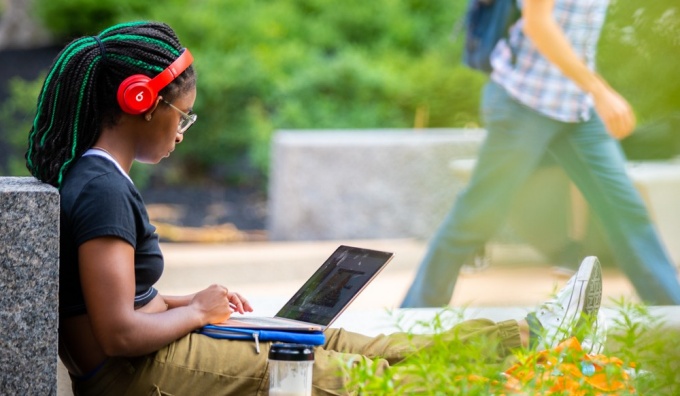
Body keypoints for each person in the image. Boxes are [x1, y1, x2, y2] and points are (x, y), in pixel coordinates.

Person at [27, 21, 604, 396]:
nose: (183, 131)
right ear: (139, 103)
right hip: (133, 378)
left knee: (342, 343)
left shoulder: (100, 177)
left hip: (146, 361)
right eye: (182, 116)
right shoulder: (100, 186)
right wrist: (200, 312)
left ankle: (528, 336)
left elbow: (122, 300)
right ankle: (524, 378)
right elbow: (119, 334)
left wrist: (187, 301)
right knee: (337, 376)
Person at [401, 0, 680, 308]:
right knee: (479, 212)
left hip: (576, 106)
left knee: (625, 209)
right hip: (525, 102)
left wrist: (591, 91)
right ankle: (411, 318)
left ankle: (674, 314)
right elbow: (538, 23)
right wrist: (600, 91)